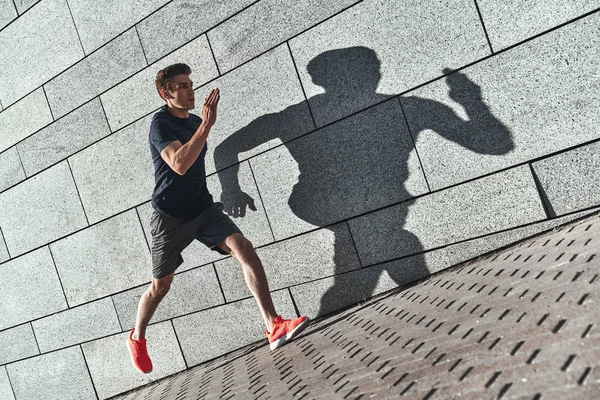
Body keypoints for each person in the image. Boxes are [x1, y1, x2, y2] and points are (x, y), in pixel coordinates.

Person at [127, 63, 309, 374]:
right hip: (169, 217)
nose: (190, 90)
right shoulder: (161, 125)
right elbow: (179, 164)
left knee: (244, 249)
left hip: (203, 209)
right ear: (166, 93)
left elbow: (210, 155)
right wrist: (206, 127)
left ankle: (273, 325)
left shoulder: (196, 121)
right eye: (181, 86)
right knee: (160, 287)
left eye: (190, 84)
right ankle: (137, 337)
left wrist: (231, 189)